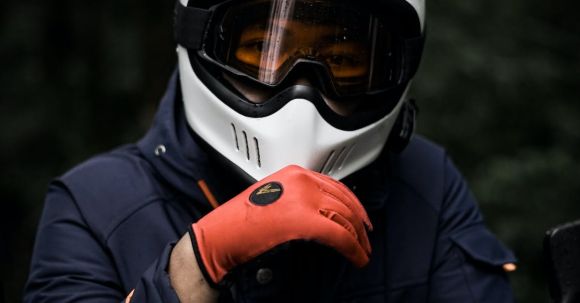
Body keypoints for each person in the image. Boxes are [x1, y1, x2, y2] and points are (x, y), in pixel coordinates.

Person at [24, 0, 518, 302]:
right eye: (264, 48)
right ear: (202, 37)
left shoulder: (427, 185)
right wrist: (194, 267)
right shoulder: (94, 205)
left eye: (343, 60)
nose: (302, 91)